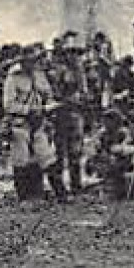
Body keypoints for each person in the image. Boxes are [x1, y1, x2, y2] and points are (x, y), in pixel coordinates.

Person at [0, 45, 56, 200]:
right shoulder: (12, 78)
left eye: (35, 61)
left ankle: (57, 193)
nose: (32, 65)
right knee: (21, 159)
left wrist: (48, 106)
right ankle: (23, 196)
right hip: (20, 122)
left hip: (39, 122)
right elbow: (8, 105)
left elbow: (48, 94)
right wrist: (28, 110)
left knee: (46, 157)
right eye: (29, 61)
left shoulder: (40, 76)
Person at [47, 33, 89, 195]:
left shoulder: (80, 71)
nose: (74, 56)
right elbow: (54, 93)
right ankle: (59, 187)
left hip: (75, 113)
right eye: (70, 52)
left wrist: (81, 98)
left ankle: (76, 184)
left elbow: (84, 93)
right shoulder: (57, 70)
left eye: (76, 53)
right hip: (61, 113)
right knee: (60, 151)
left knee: (76, 150)